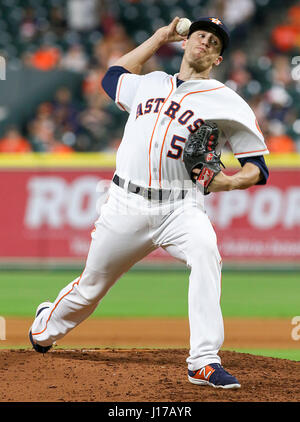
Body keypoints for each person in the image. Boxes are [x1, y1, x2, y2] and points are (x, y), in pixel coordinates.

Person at [29, 17, 269, 389]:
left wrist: (230, 182)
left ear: (218, 59)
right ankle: (45, 327)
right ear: (187, 42)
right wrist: (158, 37)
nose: (205, 42)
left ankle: (203, 361)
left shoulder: (228, 103)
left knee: (206, 253)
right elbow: (112, 76)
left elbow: (258, 167)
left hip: (181, 206)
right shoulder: (150, 83)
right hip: (126, 203)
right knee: (90, 288)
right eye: (200, 35)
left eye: (214, 42)